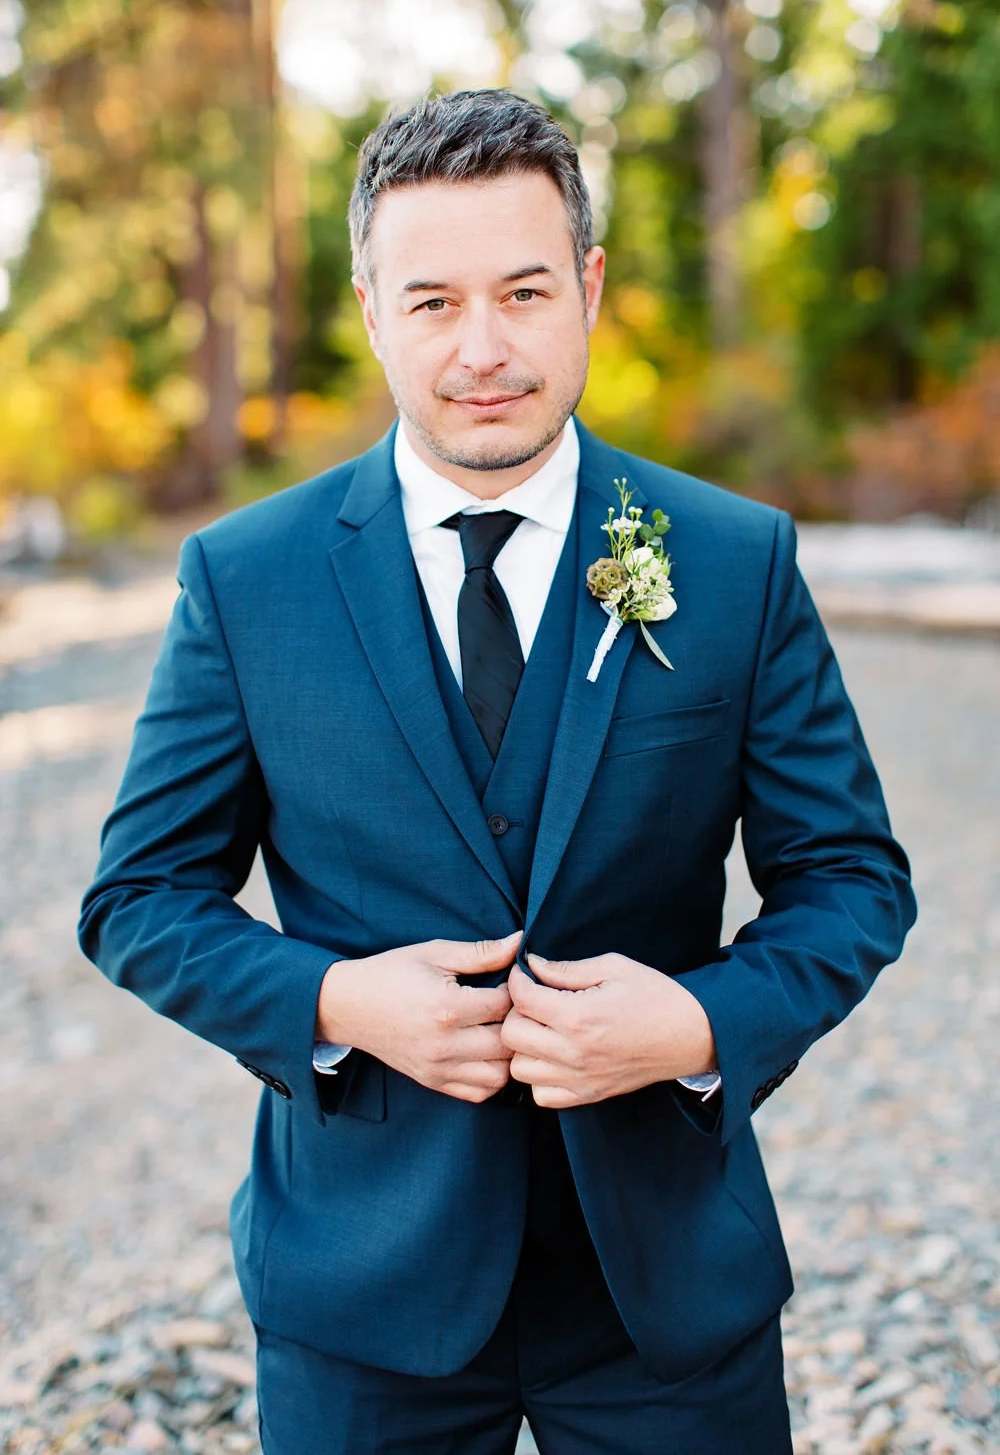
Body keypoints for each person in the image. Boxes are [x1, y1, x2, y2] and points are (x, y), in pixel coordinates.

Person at [79, 89, 916, 1454]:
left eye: (524, 291)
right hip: (361, 1292)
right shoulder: (246, 581)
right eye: (432, 303)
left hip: (665, 1295)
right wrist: (340, 999)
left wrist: (700, 1027)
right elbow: (136, 901)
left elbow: (852, 881)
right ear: (370, 311)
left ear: (587, 289)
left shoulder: (729, 559)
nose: (482, 350)